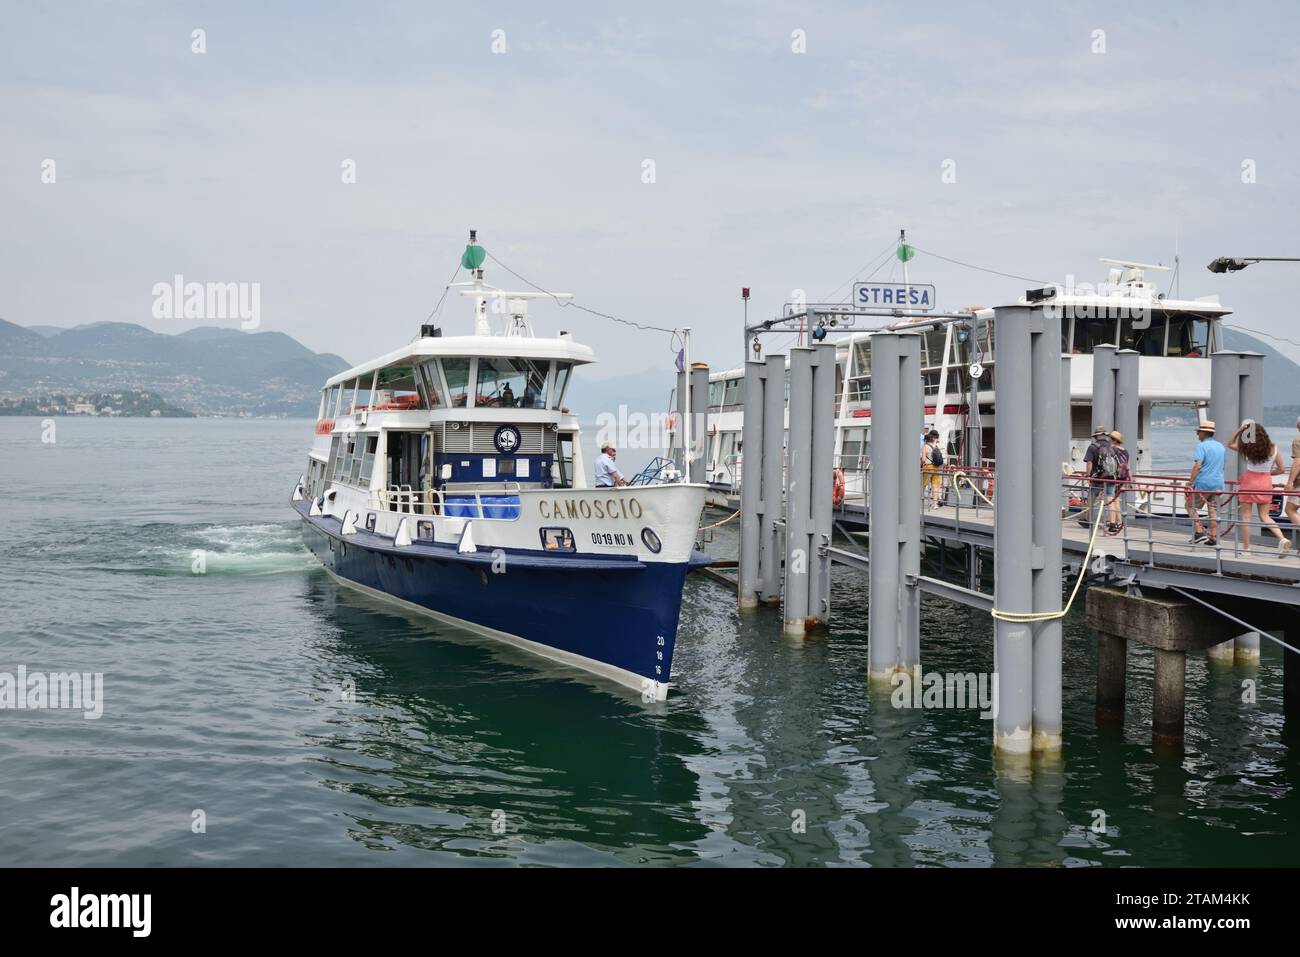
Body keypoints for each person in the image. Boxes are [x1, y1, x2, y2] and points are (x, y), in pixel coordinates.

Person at [1227, 420, 1291, 556]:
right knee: (1265, 516)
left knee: (1246, 517)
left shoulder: (1247, 447)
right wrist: (1267, 473)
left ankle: (1246, 549)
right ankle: (1282, 538)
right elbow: (1280, 470)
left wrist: (1240, 429)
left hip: (1249, 482)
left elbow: (1230, 443)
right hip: (1265, 483)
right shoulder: (1274, 448)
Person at [1187, 420, 1224, 546]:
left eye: (1198, 432)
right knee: (1213, 510)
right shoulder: (1221, 446)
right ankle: (1213, 537)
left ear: (1204, 433)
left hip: (1203, 483)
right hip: (1218, 484)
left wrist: (1190, 482)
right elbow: (1222, 466)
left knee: (1190, 506)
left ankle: (1199, 533)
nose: (1197, 435)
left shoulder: (1201, 446)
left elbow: (1198, 466)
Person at [1079, 427, 1110, 526]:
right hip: (1109, 477)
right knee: (1110, 499)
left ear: (1096, 436)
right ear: (1105, 435)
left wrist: (1088, 475)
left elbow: (1089, 462)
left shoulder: (1092, 447)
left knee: (1091, 499)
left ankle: (1088, 520)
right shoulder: (1111, 446)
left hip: (1097, 478)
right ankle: (1110, 521)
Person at [1104, 430, 1131, 534]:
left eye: (1111, 438)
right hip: (1122, 478)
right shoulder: (1125, 451)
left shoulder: (1111, 450)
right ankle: (1120, 522)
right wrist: (1131, 480)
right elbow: (1128, 467)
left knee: (1110, 499)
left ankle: (1113, 523)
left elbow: (1108, 465)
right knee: (1116, 500)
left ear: (1114, 440)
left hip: (1112, 478)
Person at [921, 429, 944, 508]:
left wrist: (921, 464)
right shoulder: (936, 446)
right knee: (935, 486)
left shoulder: (925, 446)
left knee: (923, 485)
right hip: (937, 467)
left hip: (928, 467)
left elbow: (923, 459)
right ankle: (935, 504)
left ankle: (917, 501)